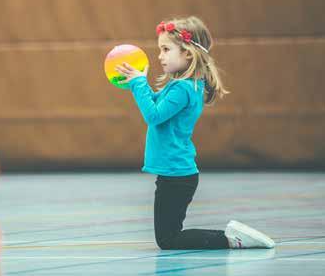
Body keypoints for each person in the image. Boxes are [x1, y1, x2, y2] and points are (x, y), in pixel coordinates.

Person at [116, 16, 274, 250]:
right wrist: (138, 82)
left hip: (177, 176)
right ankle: (231, 236)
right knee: (170, 236)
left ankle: (230, 239)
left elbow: (153, 116)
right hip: (175, 175)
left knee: (168, 239)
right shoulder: (185, 85)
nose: (160, 55)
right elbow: (156, 106)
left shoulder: (183, 88)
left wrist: (140, 84)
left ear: (188, 53)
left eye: (166, 49)